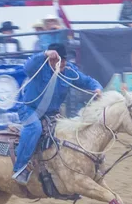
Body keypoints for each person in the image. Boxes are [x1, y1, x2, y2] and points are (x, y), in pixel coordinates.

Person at [12, 43, 103, 185]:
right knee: (34, 128)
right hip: (29, 109)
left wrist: (97, 88)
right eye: (55, 59)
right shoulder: (39, 67)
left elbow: (87, 81)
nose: (59, 63)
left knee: (67, 133)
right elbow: (27, 67)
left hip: (52, 114)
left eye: (62, 60)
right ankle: (20, 168)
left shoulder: (70, 71)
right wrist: (44, 54)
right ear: (49, 59)